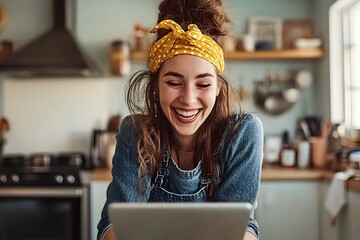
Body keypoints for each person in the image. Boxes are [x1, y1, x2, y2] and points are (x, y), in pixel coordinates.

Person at [97, 0, 263, 239]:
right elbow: (112, 227)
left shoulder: (242, 133)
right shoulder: (134, 132)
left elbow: (244, 228)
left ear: (218, 87)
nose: (188, 99)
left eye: (203, 84)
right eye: (174, 83)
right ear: (156, 86)